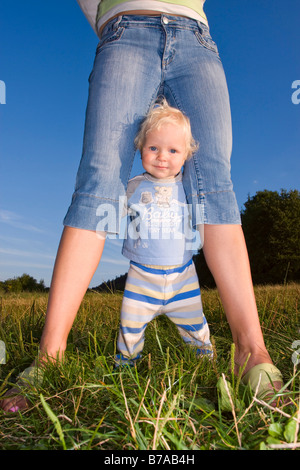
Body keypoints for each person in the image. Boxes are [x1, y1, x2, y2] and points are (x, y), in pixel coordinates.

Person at [0, 1, 284, 412]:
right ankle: (49, 355)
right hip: (123, 31)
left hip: (196, 37)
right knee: (98, 181)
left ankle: (251, 352)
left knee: (215, 184)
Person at [115, 100, 213, 366]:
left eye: (172, 150)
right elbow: (110, 210)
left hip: (183, 275)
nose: (162, 157)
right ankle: (126, 364)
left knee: (194, 322)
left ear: (186, 155)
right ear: (141, 148)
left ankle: (205, 362)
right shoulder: (133, 186)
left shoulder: (190, 188)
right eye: (154, 148)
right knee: (130, 325)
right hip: (141, 275)